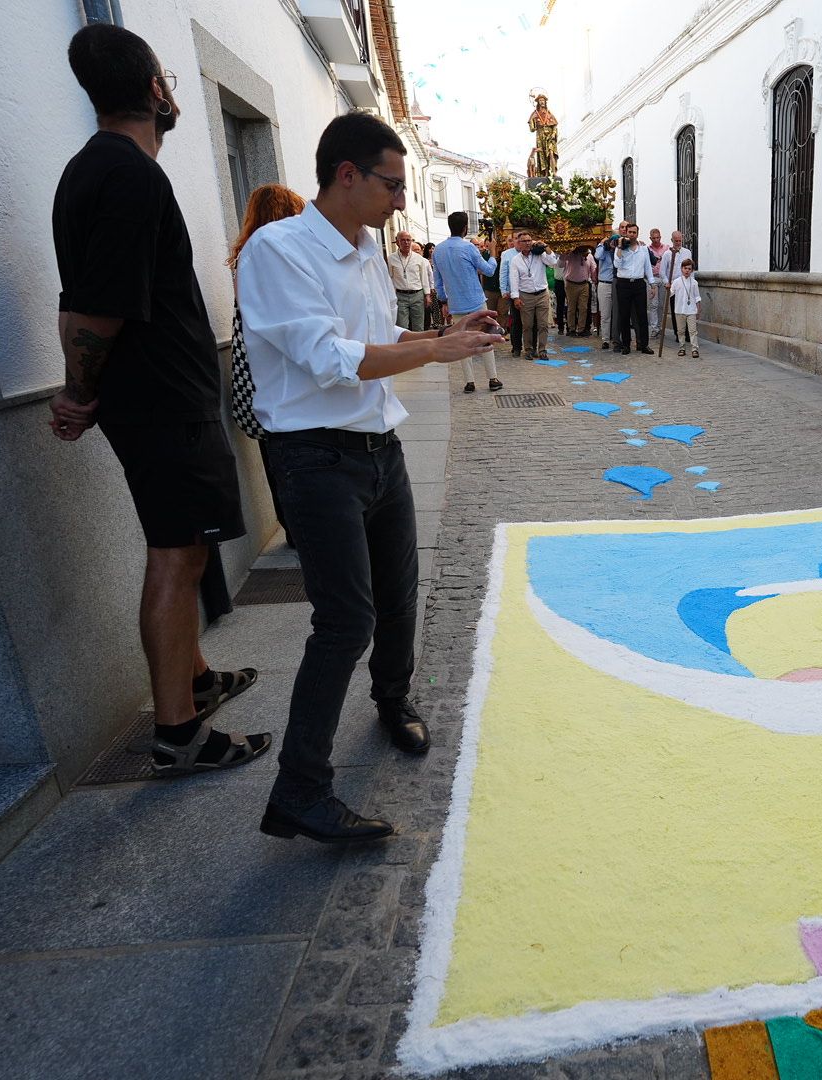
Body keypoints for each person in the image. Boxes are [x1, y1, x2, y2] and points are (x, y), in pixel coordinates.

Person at [237, 111, 504, 843]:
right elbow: (330, 359)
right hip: (314, 457)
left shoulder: (365, 249)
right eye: (391, 184)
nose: (399, 200)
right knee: (344, 620)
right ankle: (299, 791)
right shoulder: (278, 250)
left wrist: (444, 334)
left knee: (399, 592)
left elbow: (380, 339)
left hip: (378, 447)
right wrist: (436, 354)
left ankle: (393, 700)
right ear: (346, 174)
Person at [50, 23, 269, 777]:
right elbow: (95, 311)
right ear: (154, 89)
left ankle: (197, 679)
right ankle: (179, 733)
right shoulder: (129, 176)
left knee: (186, 543)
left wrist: (83, 390)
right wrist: (78, 392)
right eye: (167, 81)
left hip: (153, 399)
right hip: (163, 402)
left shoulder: (87, 170)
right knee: (177, 556)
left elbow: (77, 302)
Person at [227, 183, 305, 543]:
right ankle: (298, 526)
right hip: (279, 362)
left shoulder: (245, 254)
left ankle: (290, 524)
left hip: (255, 362)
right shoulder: (277, 253)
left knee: (273, 449)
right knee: (290, 448)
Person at [432, 210, 501, 392]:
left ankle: (469, 381)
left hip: (456, 303)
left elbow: (437, 281)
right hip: (476, 300)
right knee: (486, 338)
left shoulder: (438, 250)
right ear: (465, 228)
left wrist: (443, 301)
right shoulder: (469, 248)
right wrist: (493, 252)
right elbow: (488, 270)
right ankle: (492, 378)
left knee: (462, 341)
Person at [507, 230, 560, 361]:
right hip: (526, 295)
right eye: (524, 241)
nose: (528, 243)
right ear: (519, 243)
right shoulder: (515, 260)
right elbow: (514, 279)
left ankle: (542, 350)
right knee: (527, 325)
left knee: (543, 325)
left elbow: (553, 261)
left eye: (529, 240)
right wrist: (516, 297)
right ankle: (529, 349)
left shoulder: (539, 254)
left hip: (542, 294)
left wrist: (545, 246)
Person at [613, 222, 652, 354]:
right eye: (630, 232)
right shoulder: (620, 247)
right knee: (624, 315)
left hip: (639, 284)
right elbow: (617, 264)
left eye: (634, 232)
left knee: (642, 315)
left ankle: (644, 345)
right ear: (626, 233)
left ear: (637, 234)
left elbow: (648, 267)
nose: (632, 235)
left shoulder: (643, 249)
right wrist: (620, 247)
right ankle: (626, 345)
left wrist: (652, 284)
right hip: (623, 284)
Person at [387, 230, 430, 331]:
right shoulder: (391, 258)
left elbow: (424, 277)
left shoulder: (418, 258)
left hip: (417, 295)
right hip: (400, 296)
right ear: (397, 242)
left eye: (408, 240)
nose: (406, 242)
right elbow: (389, 278)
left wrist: (427, 295)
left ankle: (419, 342)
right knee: (402, 326)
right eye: (403, 240)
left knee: (418, 326)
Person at [594, 224, 622, 349]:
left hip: (618, 284)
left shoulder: (620, 250)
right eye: (613, 239)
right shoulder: (604, 250)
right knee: (605, 314)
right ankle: (605, 339)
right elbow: (597, 256)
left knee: (618, 314)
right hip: (604, 284)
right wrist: (602, 243)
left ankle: (617, 338)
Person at [497, 235, 524, 357]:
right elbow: (503, 273)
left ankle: (530, 346)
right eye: (516, 239)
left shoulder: (529, 252)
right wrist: (504, 290)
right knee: (516, 320)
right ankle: (516, 346)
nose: (518, 241)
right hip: (514, 291)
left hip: (528, 290)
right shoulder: (507, 254)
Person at [670, 257, 701, 357]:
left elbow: (697, 297)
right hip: (679, 310)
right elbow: (671, 293)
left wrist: (698, 309)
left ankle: (694, 349)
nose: (687, 270)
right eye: (685, 268)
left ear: (692, 270)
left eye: (689, 269)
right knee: (680, 331)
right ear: (681, 269)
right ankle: (682, 348)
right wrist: (667, 288)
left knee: (693, 331)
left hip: (691, 310)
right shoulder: (676, 282)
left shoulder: (694, 283)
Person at [561, 245, 594, 336]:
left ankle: (581, 329)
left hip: (584, 284)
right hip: (571, 284)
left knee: (583, 308)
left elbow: (593, 268)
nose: (585, 252)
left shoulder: (589, 256)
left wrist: (594, 278)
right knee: (571, 308)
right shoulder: (570, 254)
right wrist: (564, 254)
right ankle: (571, 329)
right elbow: (560, 264)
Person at [646, 228, 669, 339]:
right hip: (653, 279)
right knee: (653, 305)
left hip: (663, 278)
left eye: (658, 237)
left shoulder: (666, 248)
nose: (656, 240)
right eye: (654, 238)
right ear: (650, 238)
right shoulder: (647, 249)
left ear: (660, 237)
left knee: (661, 305)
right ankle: (654, 328)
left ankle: (659, 327)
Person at [420, 242, 443, 331]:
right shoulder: (424, 260)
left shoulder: (437, 259)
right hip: (427, 286)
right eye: (430, 248)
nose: (432, 250)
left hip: (436, 285)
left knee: (437, 306)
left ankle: (437, 323)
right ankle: (428, 324)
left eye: (433, 248)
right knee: (429, 306)